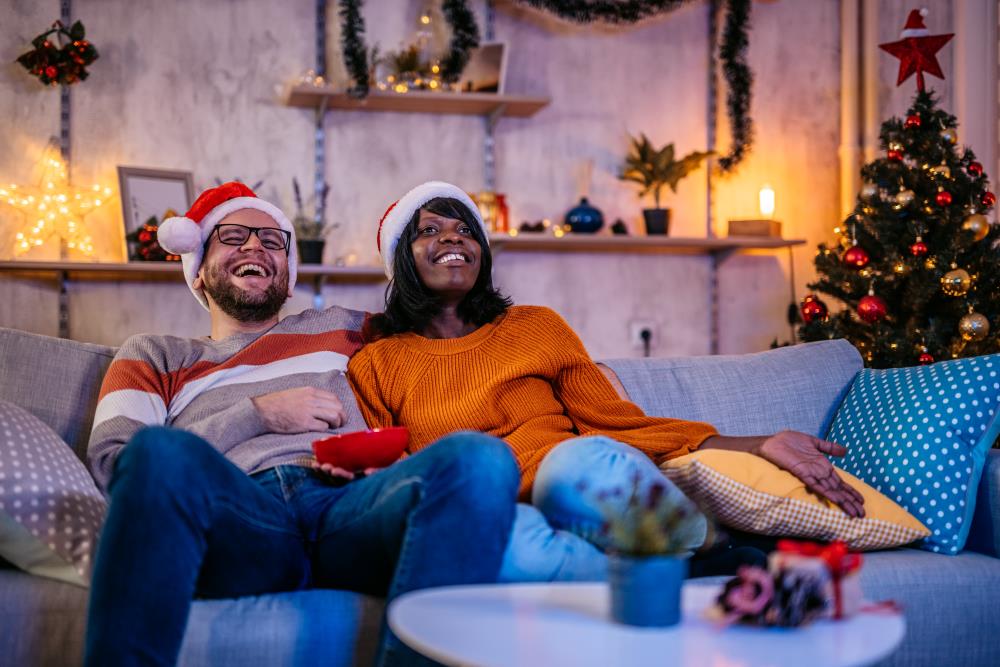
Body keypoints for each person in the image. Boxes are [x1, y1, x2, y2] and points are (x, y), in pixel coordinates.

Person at [85, 182, 520, 667]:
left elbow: (444, 325)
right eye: (233, 237)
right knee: (157, 451)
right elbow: (116, 463)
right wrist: (258, 413)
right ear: (199, 271)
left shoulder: (350, 327)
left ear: (288, 276)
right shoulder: (156, 354)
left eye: (273, 242)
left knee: (479, 459)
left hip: (354, 509)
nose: (255, 246)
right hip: (242, 518)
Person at [346, 181, 867, 580]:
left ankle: (694, 543)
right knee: (515, 551)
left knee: (584, 457)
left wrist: (759, 443)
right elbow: (393, 473)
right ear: (402, 261)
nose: (452, 238)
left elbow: (616, 422)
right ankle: (693, 567)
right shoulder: (378, 362)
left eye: (464, 230)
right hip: (495, 507)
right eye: (429, 231)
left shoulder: (536, 326)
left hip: (571, 481)